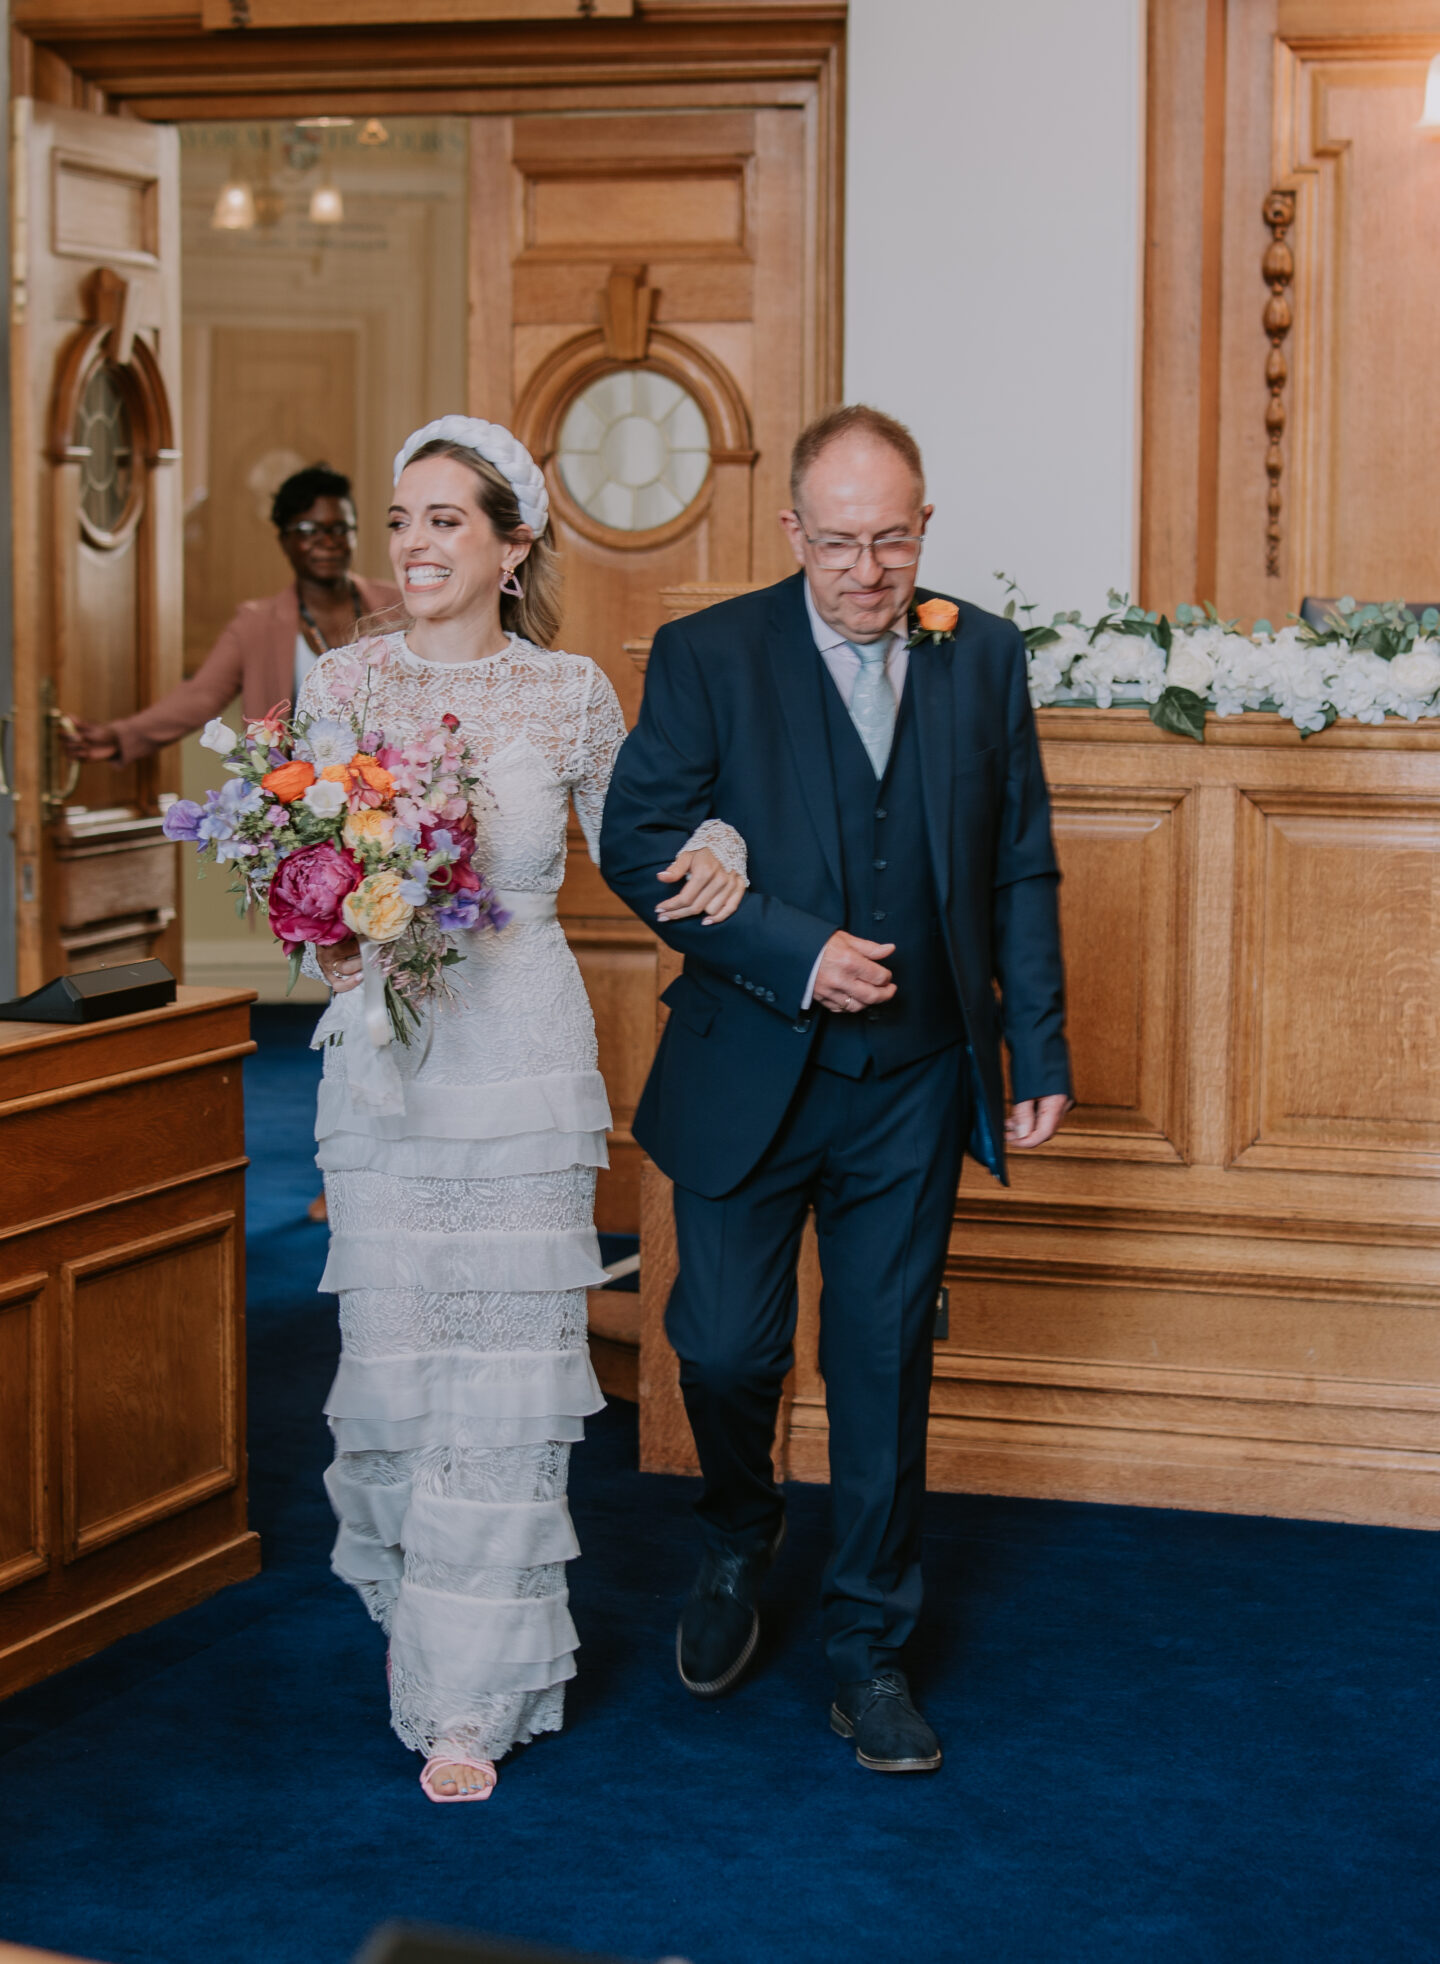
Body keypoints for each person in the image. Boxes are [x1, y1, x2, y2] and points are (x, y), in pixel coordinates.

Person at [599, 405, 1072, 1776]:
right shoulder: (708, 655)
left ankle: (869, 1650)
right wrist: (796, 952)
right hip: (750, 1066)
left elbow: (1021, 859)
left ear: (924, 528)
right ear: (793, 532)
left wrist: (1032, 1049)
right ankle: (741, 1537)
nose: (868, 572)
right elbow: (639, 841)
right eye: (841, 544)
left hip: (915, 1079)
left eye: (893, 541)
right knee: (729, 1351)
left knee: (880, 1364)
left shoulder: (979, 653)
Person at [302, 416, 749, 1803]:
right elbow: (304, 893)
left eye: (445, 519)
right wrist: (331, 920)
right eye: (400, 517)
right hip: (383, 1064)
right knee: (394, 1375)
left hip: (521, 1057)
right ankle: (411, 1606)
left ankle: (467, 1693)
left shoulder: (566, 697)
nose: (413, 544)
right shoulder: (340, 687)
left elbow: (642, 845)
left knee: (498, 1382)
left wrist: (722, 842)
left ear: (513, 546)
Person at [63, 464, 401, 764]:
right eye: (308, 531)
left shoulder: (399, 606)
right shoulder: (255, 625)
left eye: (340, 529)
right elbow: (200, 697)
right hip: (292, 812)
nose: (328, 542)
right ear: (283, 540)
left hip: (387, 799)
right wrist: (119, 736)